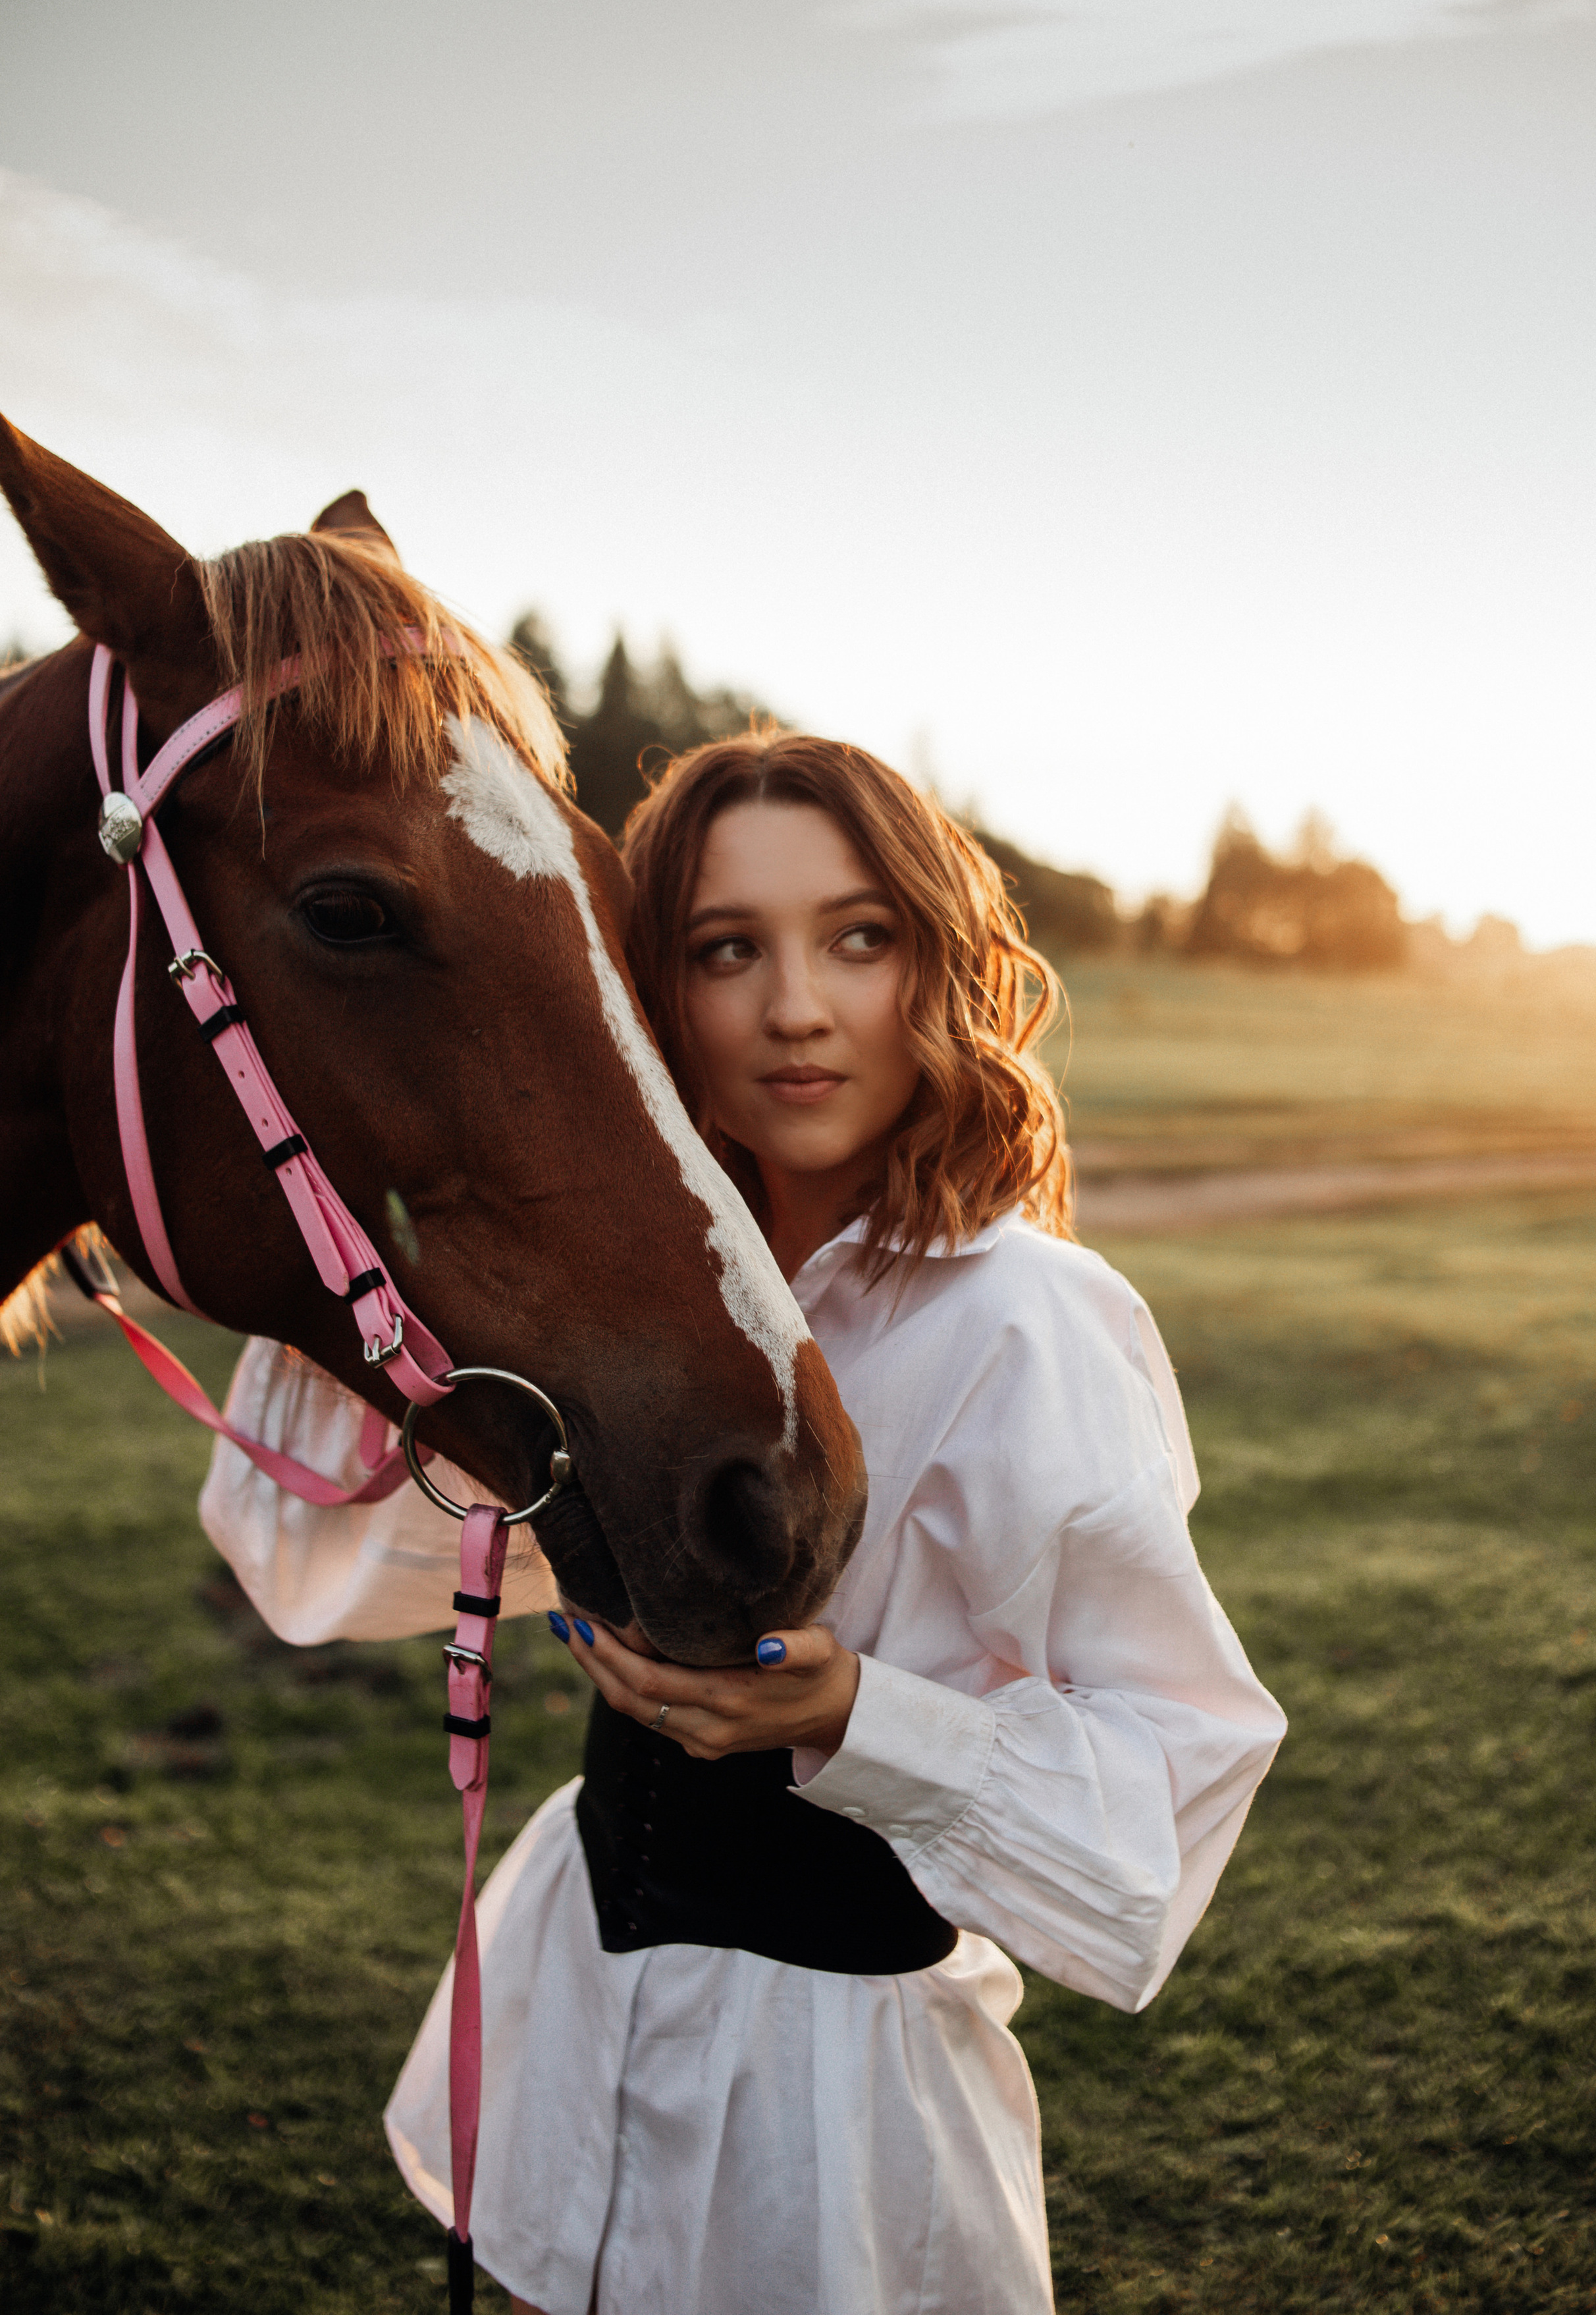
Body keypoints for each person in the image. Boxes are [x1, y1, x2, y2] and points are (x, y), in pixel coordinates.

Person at [200, 730, 1285, 2315]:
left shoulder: (1029, 1323)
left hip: (828, 2113)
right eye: (725, 951)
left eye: (857, 938)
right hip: (577, 1992)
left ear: (931, 960)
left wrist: (861, 1717)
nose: (795, 1006)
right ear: (646, 992)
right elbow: (337, 1563)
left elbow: (1166, 1785)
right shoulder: (615, 1297)